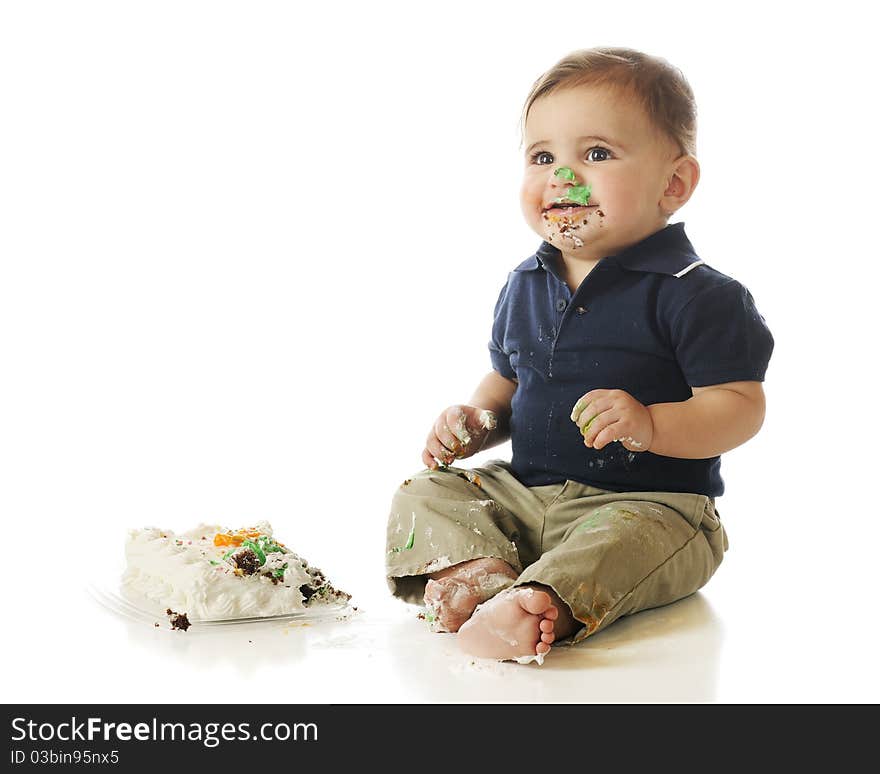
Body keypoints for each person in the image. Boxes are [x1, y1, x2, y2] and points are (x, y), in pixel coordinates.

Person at [385, 47, 774, 663]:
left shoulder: (699, 293)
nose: (561, 178)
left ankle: (543, 606)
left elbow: (740, 407)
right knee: (429, 489)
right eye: (543, 157)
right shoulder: (523, 283)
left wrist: (651, 424)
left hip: (649, 505)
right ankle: (480, 569)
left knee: (623, 542)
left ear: (672, 184)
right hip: (527, 496)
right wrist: (476, 420)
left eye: (596, 154)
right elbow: (507, 381)